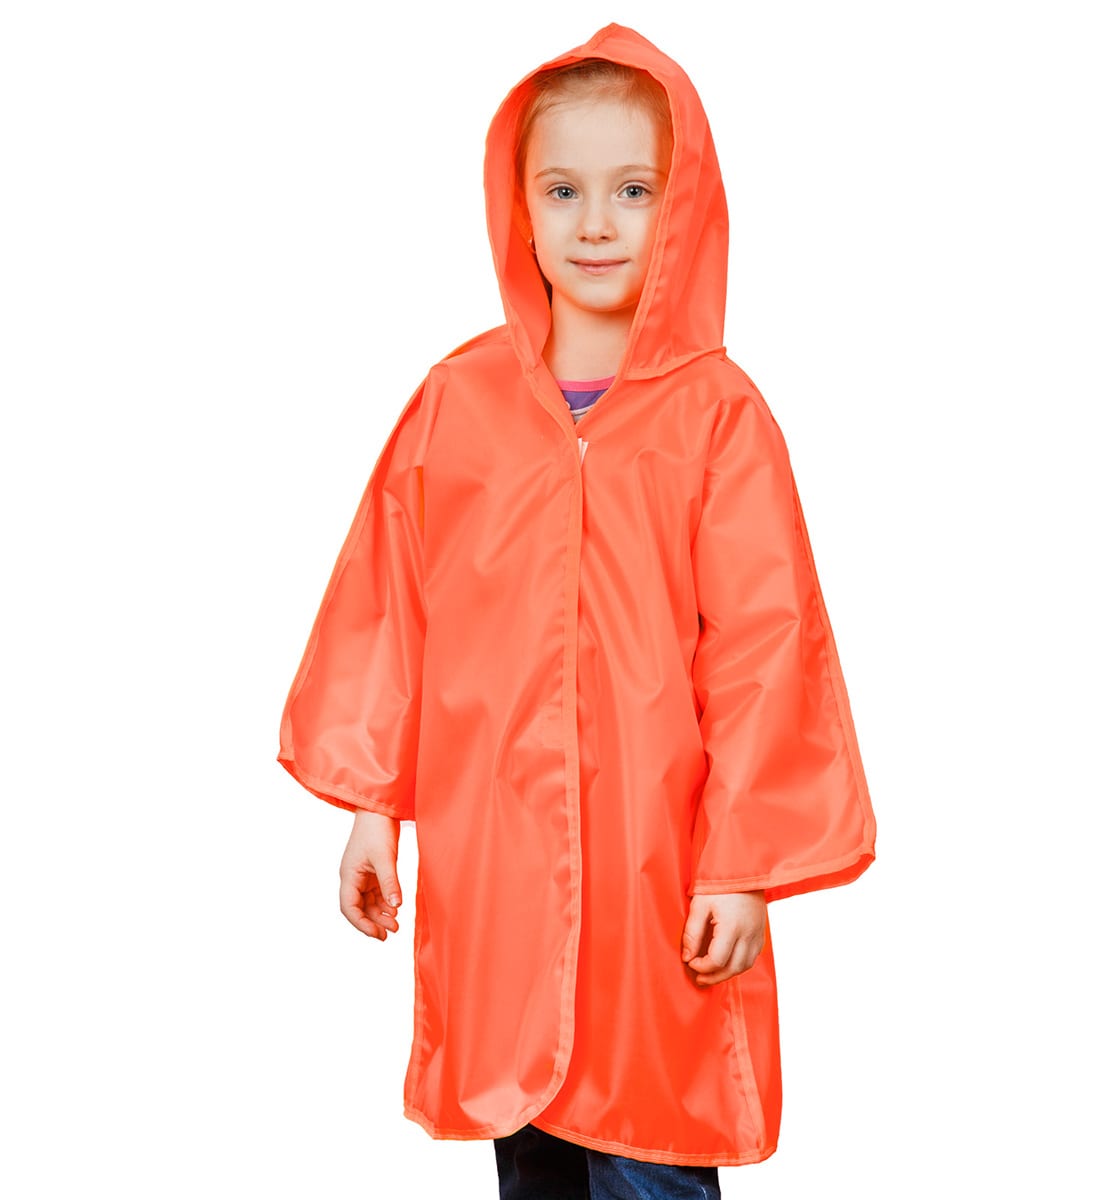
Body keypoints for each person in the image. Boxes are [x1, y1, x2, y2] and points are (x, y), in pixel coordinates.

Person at [278, 23, 876, 1200]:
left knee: (650, 1147)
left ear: (683, 206)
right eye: (563, 190)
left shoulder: (717, 418)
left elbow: (766, 649)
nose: (596, 223)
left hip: (657, 877)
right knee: (533, 1140)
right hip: (496, 861)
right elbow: (391, 606)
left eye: (633, 191)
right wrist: (373, 807)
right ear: (520, 208)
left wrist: (742, 864)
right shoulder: (458, 403)